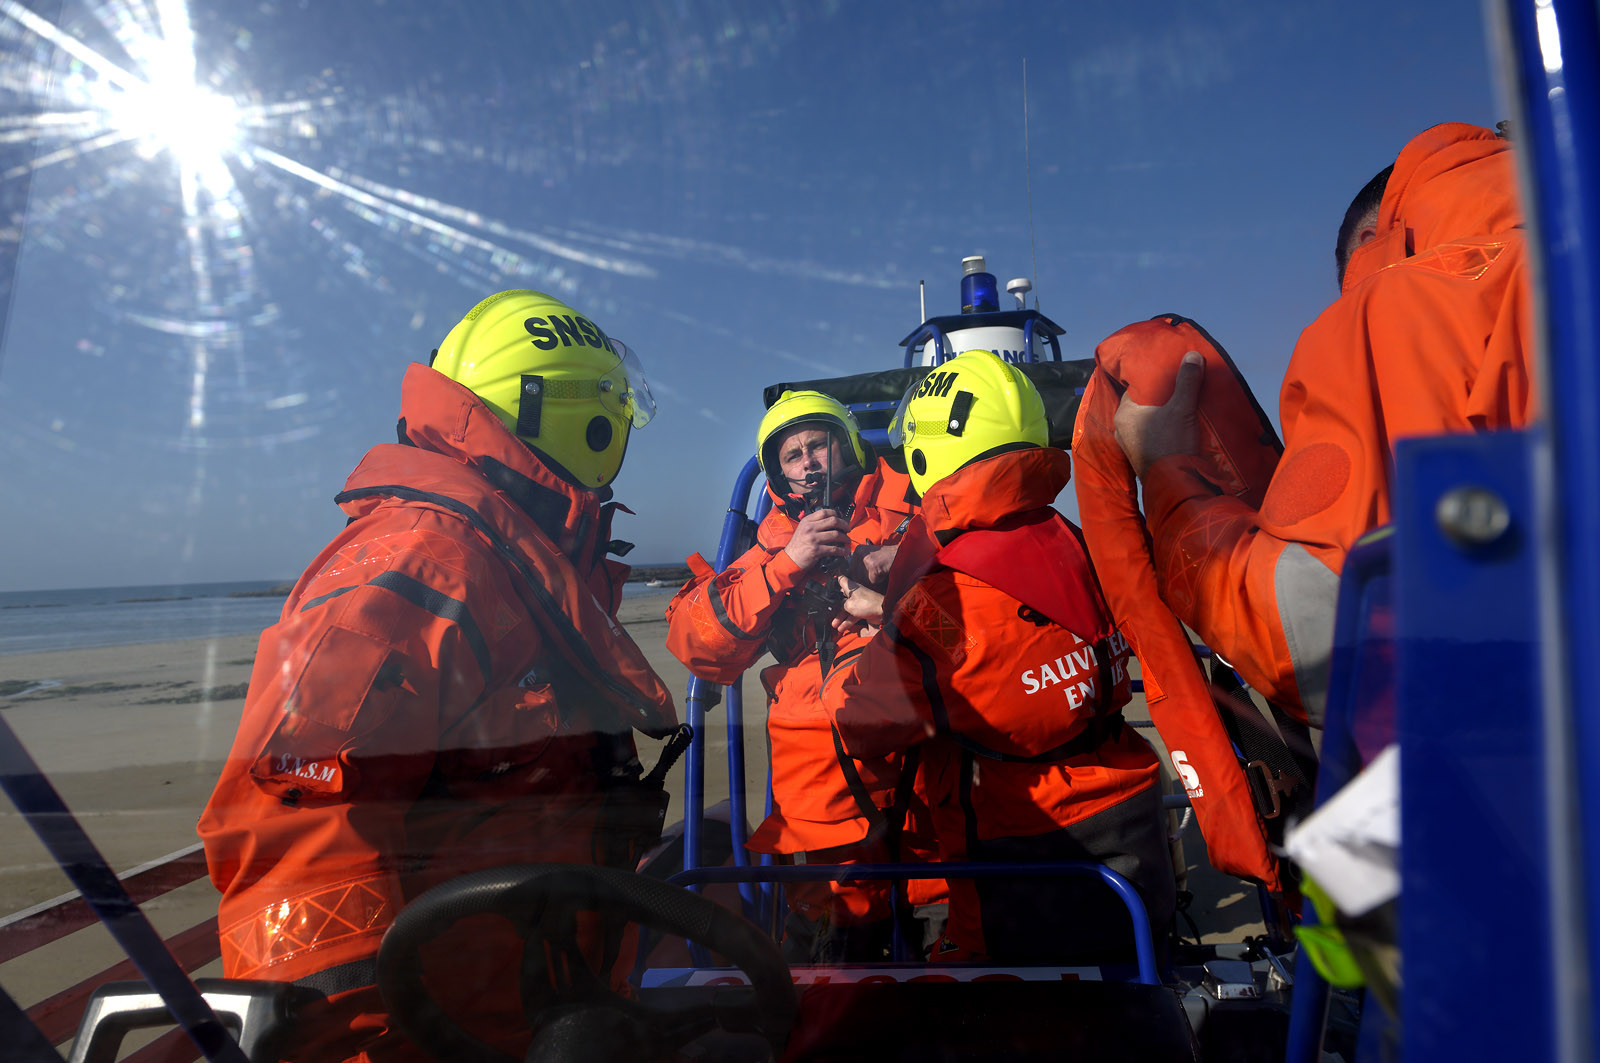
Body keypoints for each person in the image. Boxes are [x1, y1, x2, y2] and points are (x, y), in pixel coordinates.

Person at [197, 289, 679, 1062]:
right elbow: (295, 827)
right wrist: (359, 1046)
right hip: (453, 1036)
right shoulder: (427, 566)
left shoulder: (513, 563)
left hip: (540, 1007)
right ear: (579, 421)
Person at [1112, 121, 1533, 724]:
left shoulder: (1399, 308)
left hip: (1529, 775)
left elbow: (1317, 646)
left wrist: (1165, 473)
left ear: (1373, 241)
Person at [823, 350, 1175, 964]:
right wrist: (896, 608)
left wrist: (880, 631)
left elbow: (863, 724)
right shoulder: (1076, 542)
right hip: (1134, 840)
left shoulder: (938, 603)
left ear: (928, 452)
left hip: (1021, 871)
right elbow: (1009, 639)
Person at [665, 389, 922, 962]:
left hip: (926, 758)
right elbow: (696, 644)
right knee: (838, 937)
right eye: (792, 454)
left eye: (818, 445)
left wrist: (895, 570)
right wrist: (785, 567)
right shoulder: (771, 545)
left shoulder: (922, 511)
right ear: (778, 474)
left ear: (847, 446)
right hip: (823, 783)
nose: (808, 462)